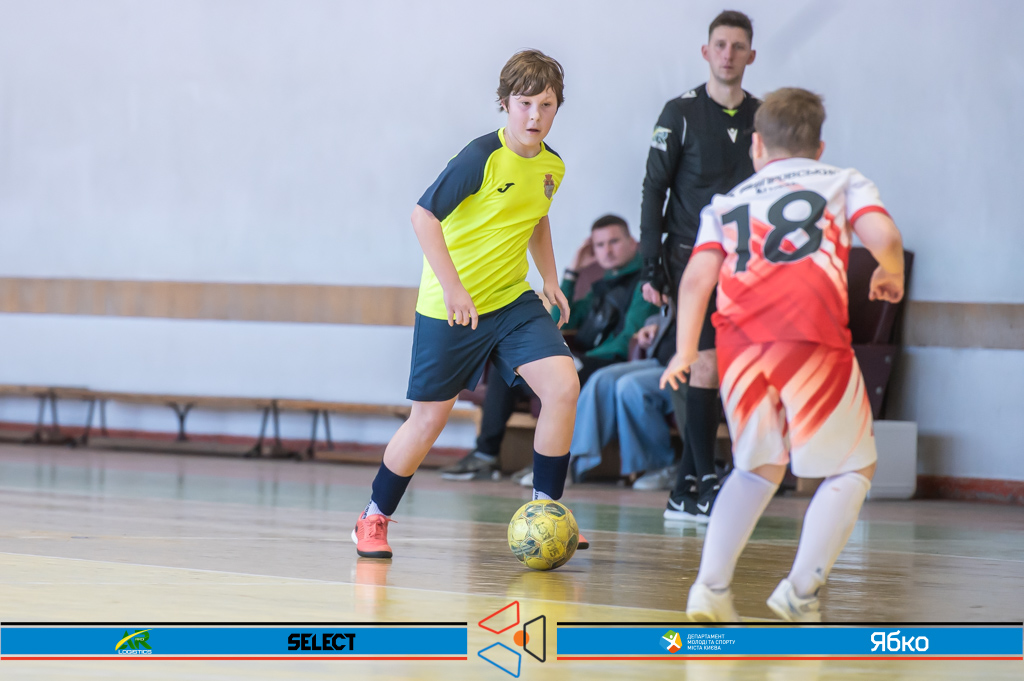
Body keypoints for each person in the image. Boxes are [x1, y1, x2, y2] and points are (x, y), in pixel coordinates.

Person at [660, 87, 905, 622]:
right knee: (853, 468)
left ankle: (709, 588)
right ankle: (800, 591)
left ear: (756, 147)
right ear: (819, 147)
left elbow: (696, 278)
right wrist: (892, 271)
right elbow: (883, 235)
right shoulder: (842, 180)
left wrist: (684, 352)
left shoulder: (726, 203)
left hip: (739, 349)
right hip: (810, 339)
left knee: (755, 469)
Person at [352, 49, 589, 558]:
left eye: (546, 105)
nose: (534, 116)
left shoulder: (552, 165)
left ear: (557, 107)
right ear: (505, 104)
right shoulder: (480, 156)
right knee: (427, 422)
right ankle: (372, 517)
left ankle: (547, 512)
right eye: (524, 103)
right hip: (452, 308)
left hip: (511, 301)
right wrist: (454, 287)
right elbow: (422, 216)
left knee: (564, 386)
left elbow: (537, 217)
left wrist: (549, 278)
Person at [639, 10, 760, 521]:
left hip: (748, 264)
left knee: (725, 368)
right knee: (703, 363)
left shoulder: (763, 116)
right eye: (720, 45)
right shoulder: (680, 112)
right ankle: (705, 479)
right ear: (706, 52)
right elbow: (654, 190)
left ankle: (686, 487)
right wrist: (651, 266)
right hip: (691, 258)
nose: (728, 54)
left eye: (738, 46)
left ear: (750, 55)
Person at [441, 215, 656, 482]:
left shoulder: (644, 282)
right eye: (600, 245)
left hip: (613, 364)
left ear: (633, 242)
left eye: (614, 242)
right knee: (507, 368)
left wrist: (578, 358)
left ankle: (548, 464)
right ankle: (486, 455)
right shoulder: (603, 284)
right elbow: (556, 322)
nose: (607, 251)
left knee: (558, 375)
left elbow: (626, 342)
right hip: (583, 360)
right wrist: (572, 271)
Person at [569, 320, 679, 489]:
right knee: (601, 379)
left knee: (630, 385)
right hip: (658, 360)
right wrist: (652, 325)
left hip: (685, 364)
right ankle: (569, 461)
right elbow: (662, 315)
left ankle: (662, 465)